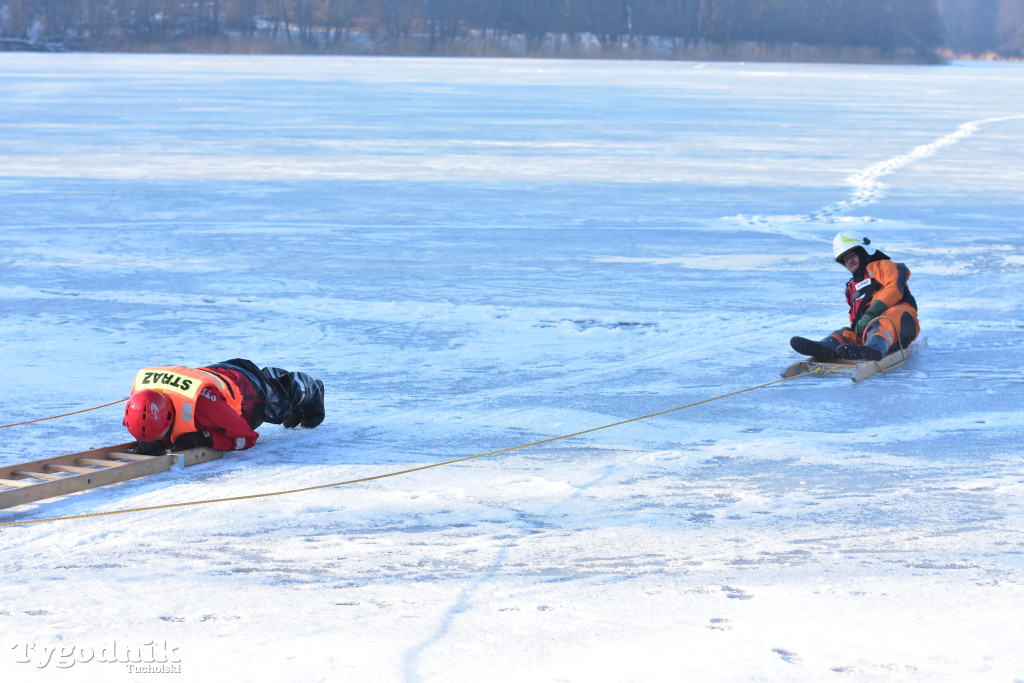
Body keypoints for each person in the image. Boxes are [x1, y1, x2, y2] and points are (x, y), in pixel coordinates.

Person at [122, 359, 325, 455]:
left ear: (169, 418)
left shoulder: (206, 408)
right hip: (218, 373)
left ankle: (311, 388)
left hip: (247, 390)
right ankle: (270, 378)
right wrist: (146, 439)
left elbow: (247, 438)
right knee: (272, 389)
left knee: (279, 407)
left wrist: (206, 438)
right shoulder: (140, 396)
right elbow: (144, 418)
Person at [790, 231, 920, 363]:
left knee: (890, 316)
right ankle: (826, 347)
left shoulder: (883, 266)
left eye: (852, 256)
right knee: (844, 334)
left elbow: (894, 289)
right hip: (872, 330)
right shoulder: (852, 287)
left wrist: (871, 313)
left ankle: (875, 348)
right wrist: (858, 328)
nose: (849, 261)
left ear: (863, 252)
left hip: (902, 323)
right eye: (845, 259)